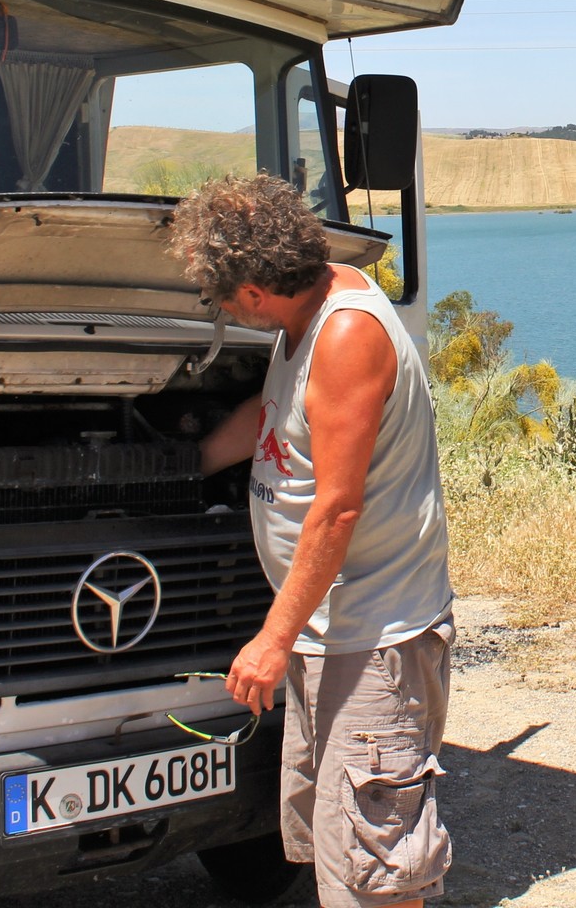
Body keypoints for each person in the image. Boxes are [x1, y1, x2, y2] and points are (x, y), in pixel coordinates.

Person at [167, 173, 454, 908]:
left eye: (221, 299)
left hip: (373, 640)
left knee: (376, 876)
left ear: (254, 291)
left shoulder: (346, 335)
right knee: (340, 852)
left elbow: (337, 510)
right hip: (327, 635)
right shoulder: (305, 311)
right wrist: (180, 464)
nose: (223, 311)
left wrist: (272, 639)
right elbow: (273, 421)